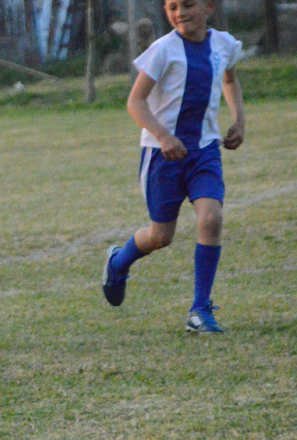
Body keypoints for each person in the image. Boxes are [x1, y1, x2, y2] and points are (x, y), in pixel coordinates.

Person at [103, 0, 245, 333]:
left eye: (187, 5)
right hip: (162, 156)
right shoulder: (163, 49)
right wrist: (164, 136)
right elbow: (135, 101)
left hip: (205, 151)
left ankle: (200, 309)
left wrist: (239, 119)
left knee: (210, 219)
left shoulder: (223, 44)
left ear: (209, 6)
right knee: (160, 236)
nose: (179, 12)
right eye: (171, 6)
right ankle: (118, 262)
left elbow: (230, 80)